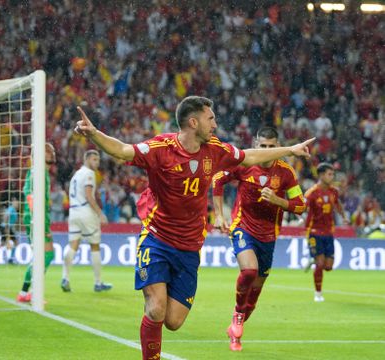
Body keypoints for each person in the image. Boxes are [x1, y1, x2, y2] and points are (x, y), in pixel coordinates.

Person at [74, 96, 314, 360]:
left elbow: (250, 156)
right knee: (156, 308)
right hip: (157, 239)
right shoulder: (160, 148)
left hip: (190, 247)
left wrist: (290, 149)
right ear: (193, 121)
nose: (215, 124)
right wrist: (94, 134)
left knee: (173, 321)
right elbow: (122, 150)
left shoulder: (215, 149)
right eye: (210, 118)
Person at [212, 126, 307, 351]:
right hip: (242, 226)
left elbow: (301, 206)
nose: (266, 150)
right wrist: (219, 214)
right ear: (256, 145)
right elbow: (217, 179)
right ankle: (236, 313)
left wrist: (278, 201)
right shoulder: (244, 164)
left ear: (277, 147)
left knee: (253, 300)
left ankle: (236, 328)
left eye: (271, 147)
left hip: (268, 236)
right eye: (262, 146)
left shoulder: (285, 173)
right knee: (249, 271)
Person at [61, 150, 110, 293]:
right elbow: (89, 195)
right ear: (87, 159)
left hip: (74, 212)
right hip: (86, 212)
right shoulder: (89, 174)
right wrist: (99, 213)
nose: (97, 163)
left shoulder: (76, 174)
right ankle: (98, 282)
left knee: (73, 246)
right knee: (95, 246)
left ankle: (65, 277)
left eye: (98, 160)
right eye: (94, 159)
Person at [16, 143, 57, 303]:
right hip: (35, 218)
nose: (52, 153)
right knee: (46, 254)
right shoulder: (37, 172)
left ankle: (25, 292)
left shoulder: (42, 172)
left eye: (52, 150)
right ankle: (32, 291)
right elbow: (30, 196)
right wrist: (40, 222)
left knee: (41, 256)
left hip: (37, 217)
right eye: (47, 151)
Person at [304, 162, 348, 302]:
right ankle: (318, 294)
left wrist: (344, 216)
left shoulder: (333, 191)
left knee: (328, 267)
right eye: (330, 174)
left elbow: (337, 204)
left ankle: (314, 262)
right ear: (321, 175)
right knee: (321, 263)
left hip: (329, 232)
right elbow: (302, 208)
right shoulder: (311, 193)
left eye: (332, 174)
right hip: (314, 231)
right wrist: (300, 218)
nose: (332, 177)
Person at [0, 198, 20, 264]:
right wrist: (6, 228)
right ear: (12, 203)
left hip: (8, 227)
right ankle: (10, 259)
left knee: (4, 243)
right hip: (5, 227)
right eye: (16, 203)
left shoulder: (14, 210)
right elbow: (6, 216)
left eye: (18, 203)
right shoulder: (11, 209)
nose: (17, 204)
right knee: (14, 242)